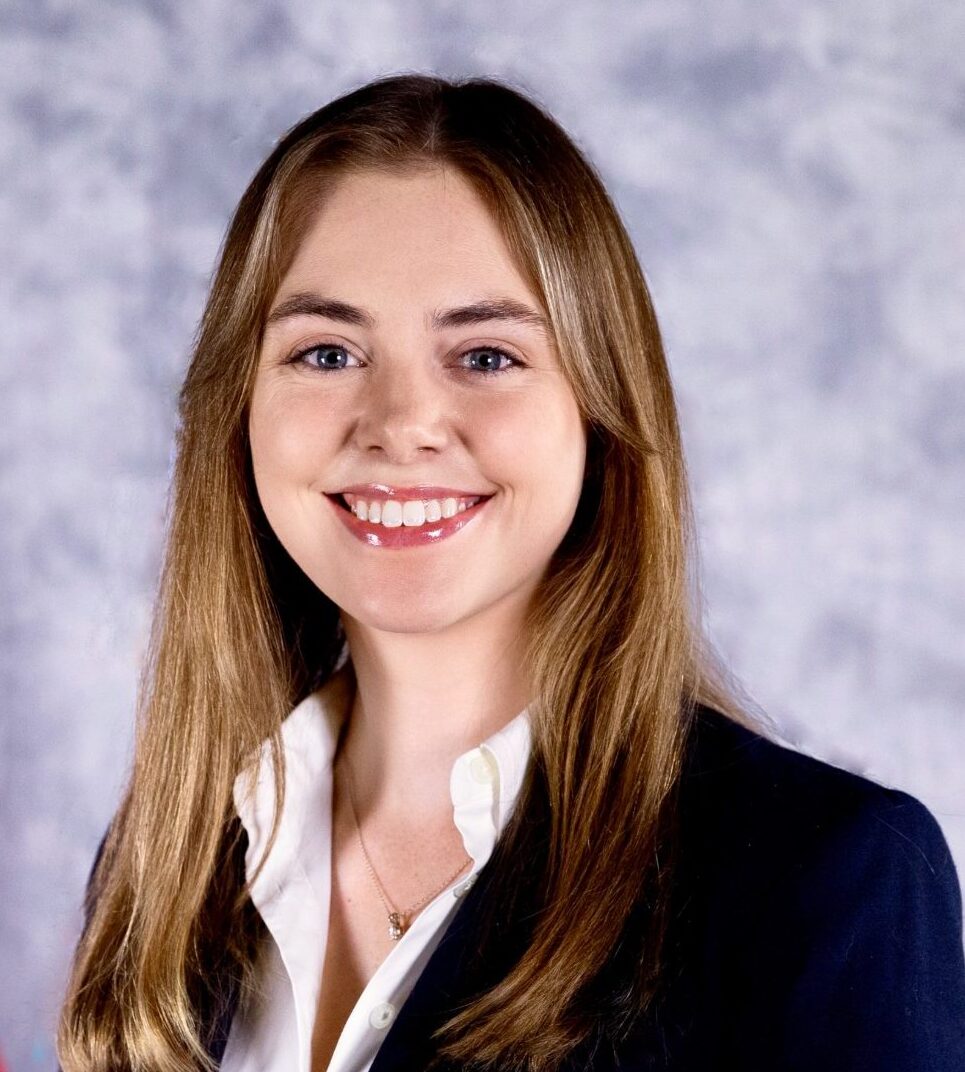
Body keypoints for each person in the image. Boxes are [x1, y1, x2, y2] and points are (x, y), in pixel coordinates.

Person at [57, 73, 965, 1072]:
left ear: (600, 409)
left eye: (484, 355)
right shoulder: (162, 868)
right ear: (239, 407)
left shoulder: (822, 880)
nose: (400, 424)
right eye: (324, 352)